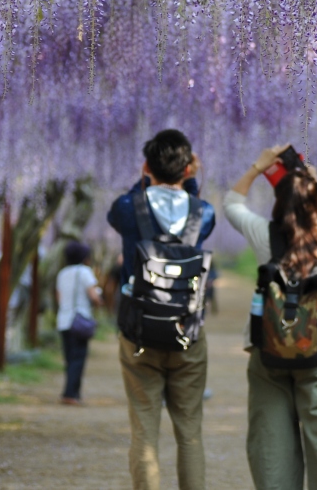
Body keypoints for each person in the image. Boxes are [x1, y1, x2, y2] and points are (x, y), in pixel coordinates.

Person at [224, 145, 317, 490]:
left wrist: (259, 167)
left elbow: (231, 205)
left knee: (270, 437)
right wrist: (311, 181)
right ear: (315, 201)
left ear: (277, 203)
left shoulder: (264, 235)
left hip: (268, 346)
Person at [107, 129, 215, 490]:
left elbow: (121, 209)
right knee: (190, 434)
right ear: (187, 169)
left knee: (144, 431)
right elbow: (199, 209)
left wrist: (145, 181)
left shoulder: (128, 208)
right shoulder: (203, 212)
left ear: (145, 166)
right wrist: (191, 182)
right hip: (187, 333)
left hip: (138, 333)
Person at [56, 241, 102, 405]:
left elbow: (59, 298)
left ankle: (70, 392)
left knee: (69, 358)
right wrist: (98, 302)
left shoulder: (62, 273)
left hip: (63, 320)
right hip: (79, 320)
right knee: (78, 359)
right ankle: (71, 394)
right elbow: (94, 296)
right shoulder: (85, 272)